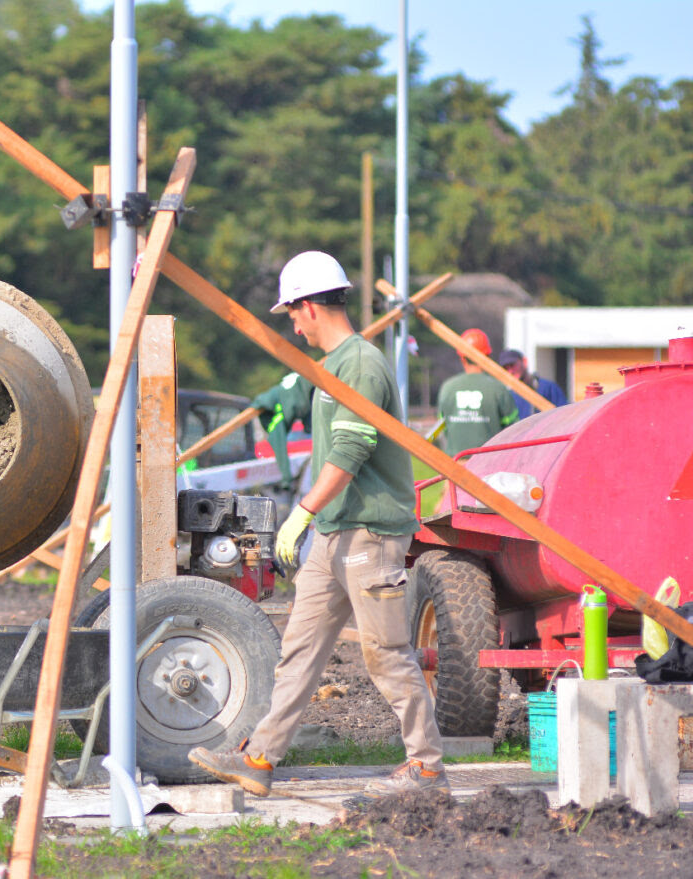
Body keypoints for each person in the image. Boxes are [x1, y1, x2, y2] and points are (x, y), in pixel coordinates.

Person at [188, 250, 447, 798]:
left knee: (385, 653)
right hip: (334, 531)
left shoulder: (360, 363)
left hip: (370, 531)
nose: (293, 325)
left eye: (292, 314)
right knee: (300, 651)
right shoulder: (328, 368)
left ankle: (426, 767)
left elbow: (352, 450)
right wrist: (315, 518)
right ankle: (259, 759)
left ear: (309, 307)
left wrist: (301, 511)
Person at [435, 328, 519, 456]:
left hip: (454, 465)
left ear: (462, 357)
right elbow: (514, 430)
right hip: (489, 465)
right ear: (487, 356)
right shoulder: (498, 389)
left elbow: (442, 426)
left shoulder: (447, 388)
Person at [498, 348, 568, 420]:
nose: (510, 371)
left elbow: (566, 416)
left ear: (524, 362)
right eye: (506, 368)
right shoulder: (508, 396)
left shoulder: (547, 388)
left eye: (512, 365)